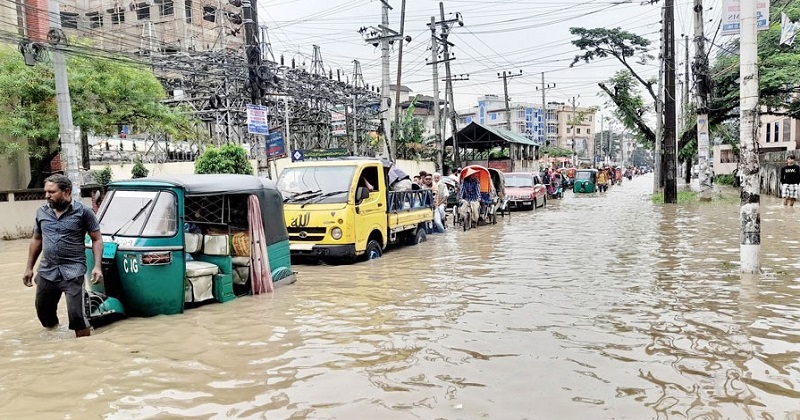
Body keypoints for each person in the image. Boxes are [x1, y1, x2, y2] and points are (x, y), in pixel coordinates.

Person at [23, 174, 104, 338]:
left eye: (51, 192)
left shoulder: (84, 212)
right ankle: (55, 345)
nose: (47, 195)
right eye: (46, 192)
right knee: (44, 316)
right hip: (47, 271)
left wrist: (97, 266)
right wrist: (29, 268)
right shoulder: (41, 212)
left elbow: (97, 239)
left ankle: (84, 350)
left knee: (77, 316)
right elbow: (37, 239)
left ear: (66, 191)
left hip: (73, 272)